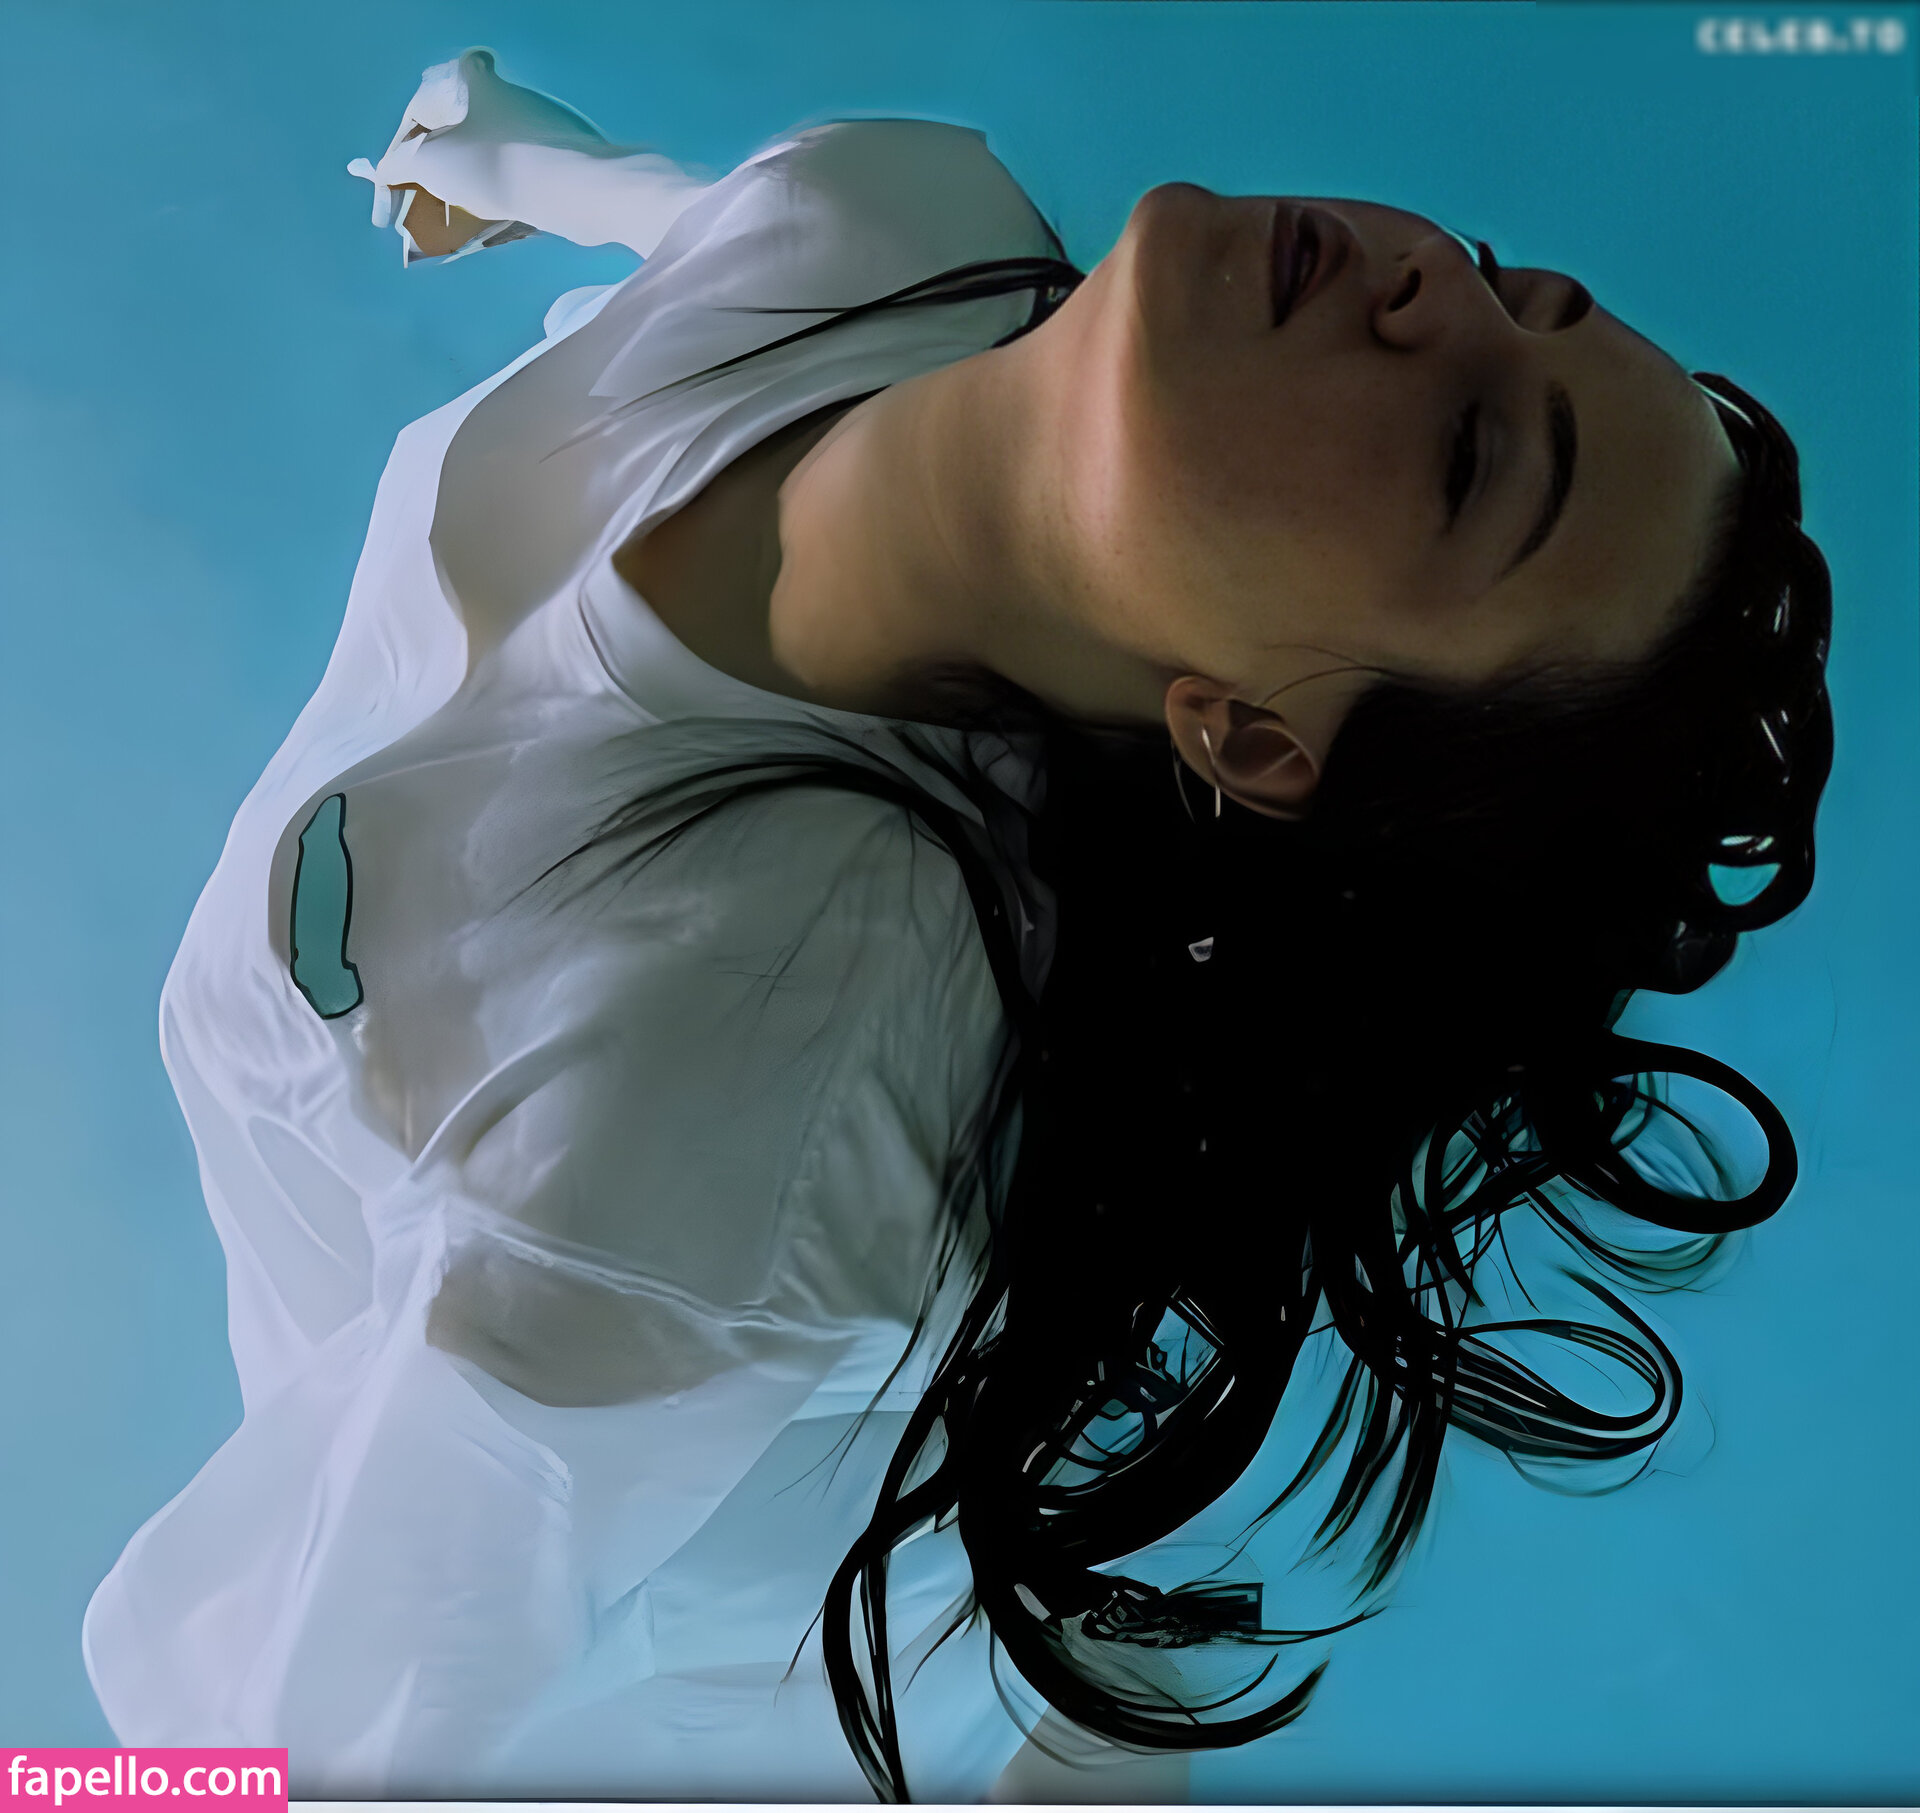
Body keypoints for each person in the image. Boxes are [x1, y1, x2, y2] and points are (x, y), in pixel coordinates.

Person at [82, 46, 1833, 1806]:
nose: (1430, 284)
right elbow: (714, 226)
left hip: (750, 1667)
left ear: (1258, 735)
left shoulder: (711, 1079)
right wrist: (521, 164)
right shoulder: (899, 215)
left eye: (1469, 457)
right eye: (1512, 286)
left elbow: (297, 1734)